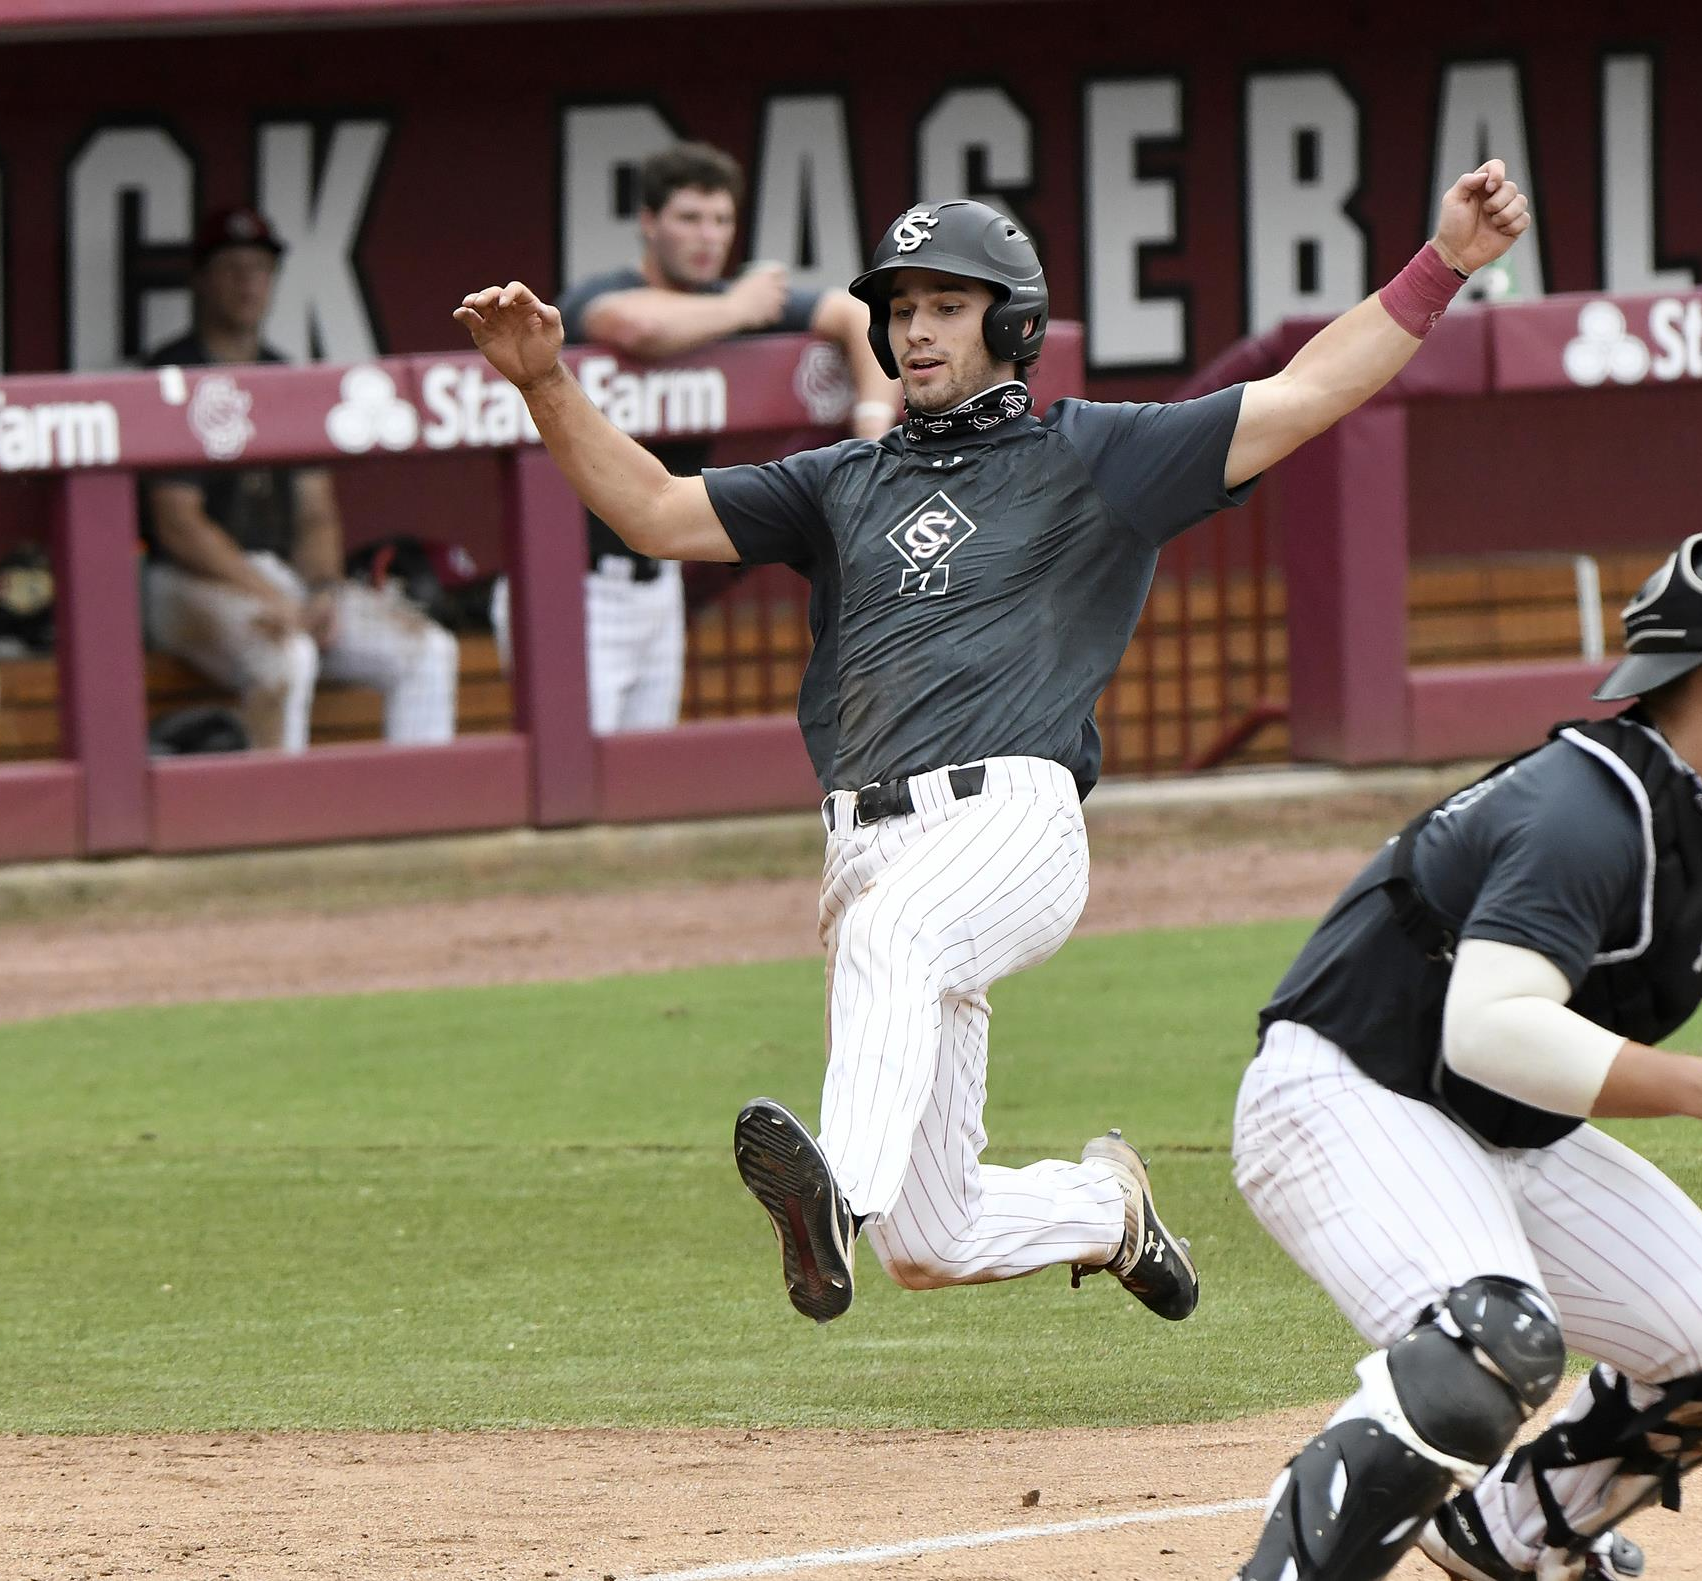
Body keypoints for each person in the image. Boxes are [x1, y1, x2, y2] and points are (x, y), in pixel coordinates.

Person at [455, 161, 1531, 1325]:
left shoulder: (1097, 455)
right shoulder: (840, 483)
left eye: (946, 306)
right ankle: (1104, 1212)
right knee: (936, 1237)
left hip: (1008, 822)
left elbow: (1305, 390)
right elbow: (654, 512)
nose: (916, 331)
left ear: (1012, 321)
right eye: (901, 309)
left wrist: (1445, 265)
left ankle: (837, 1199)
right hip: (860, 848)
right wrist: (546, 382)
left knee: (896, 938)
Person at [1230, 531, 1702, 1581]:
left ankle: (1505, 1537)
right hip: (1346, 1091)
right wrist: (1696, 1090)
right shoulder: (1585, 809)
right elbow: (1491, 1024)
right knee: (1486, 1348)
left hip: (1492, 1126)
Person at [489, 140, 898, 734]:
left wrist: (870, 433)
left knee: (642, 778)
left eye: (722, 220)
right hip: (569, 580)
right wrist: (740, 305)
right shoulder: (604, 292)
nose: (708, 236)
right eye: (689, 218)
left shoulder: (727, 301)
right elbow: (640, 326)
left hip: (656, 579)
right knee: (571, 783)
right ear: (649, 224)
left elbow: (858, 316)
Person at [140, 205, 458, 754]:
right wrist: (273, 596)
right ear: (202, 279)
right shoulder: (173, 370)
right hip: (183, 581)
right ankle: (275, 826)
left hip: (278, 577)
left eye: (259, 269)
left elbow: (315, 511)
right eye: (232, 268)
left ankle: (417, 814)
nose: (247, 283)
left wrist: (322, 590)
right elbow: (178, 525)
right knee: (286, 653)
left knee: (428, 650)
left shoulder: (285, 373)